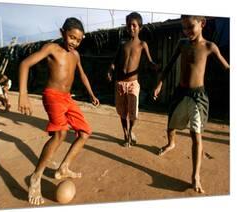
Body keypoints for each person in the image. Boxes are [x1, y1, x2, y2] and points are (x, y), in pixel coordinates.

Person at [18, 17, 100, 205]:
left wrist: (91, 94)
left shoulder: (76, 55)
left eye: (78, 40)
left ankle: (64, 167)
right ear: (62, 32)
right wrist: (23, 93)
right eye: (71, 37)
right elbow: (24, 64)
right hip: (52, 95)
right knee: (60, 134)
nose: (74, 43)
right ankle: (36, 176)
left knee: (85, 132)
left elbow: (82, 75)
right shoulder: (51, 49)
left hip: (67, 98)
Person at [153, 15, 229, 193]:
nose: (187, 31)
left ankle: (195, 175)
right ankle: (171, 143)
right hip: (180, 93)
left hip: (198, 97)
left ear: (202, 24)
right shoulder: (182, 44)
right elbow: (170, 64)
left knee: (196, 135)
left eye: (190, 27)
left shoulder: (210, 46)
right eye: (184, 28)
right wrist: (160, 82)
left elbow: (226, 67)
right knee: (171, 125)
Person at [107, 12, 158, 147]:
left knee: (133, 112)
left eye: (134, 25)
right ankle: (125, 135)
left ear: (140, 27)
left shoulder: (142, 44)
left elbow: (149, 61)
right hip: (119, 82)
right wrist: (110, 69)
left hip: (133, 84)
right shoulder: (122, 43)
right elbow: (114, 60)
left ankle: (131, 131)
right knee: (122, 112)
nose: (131, 28)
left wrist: (154, 66)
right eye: (129, 25)